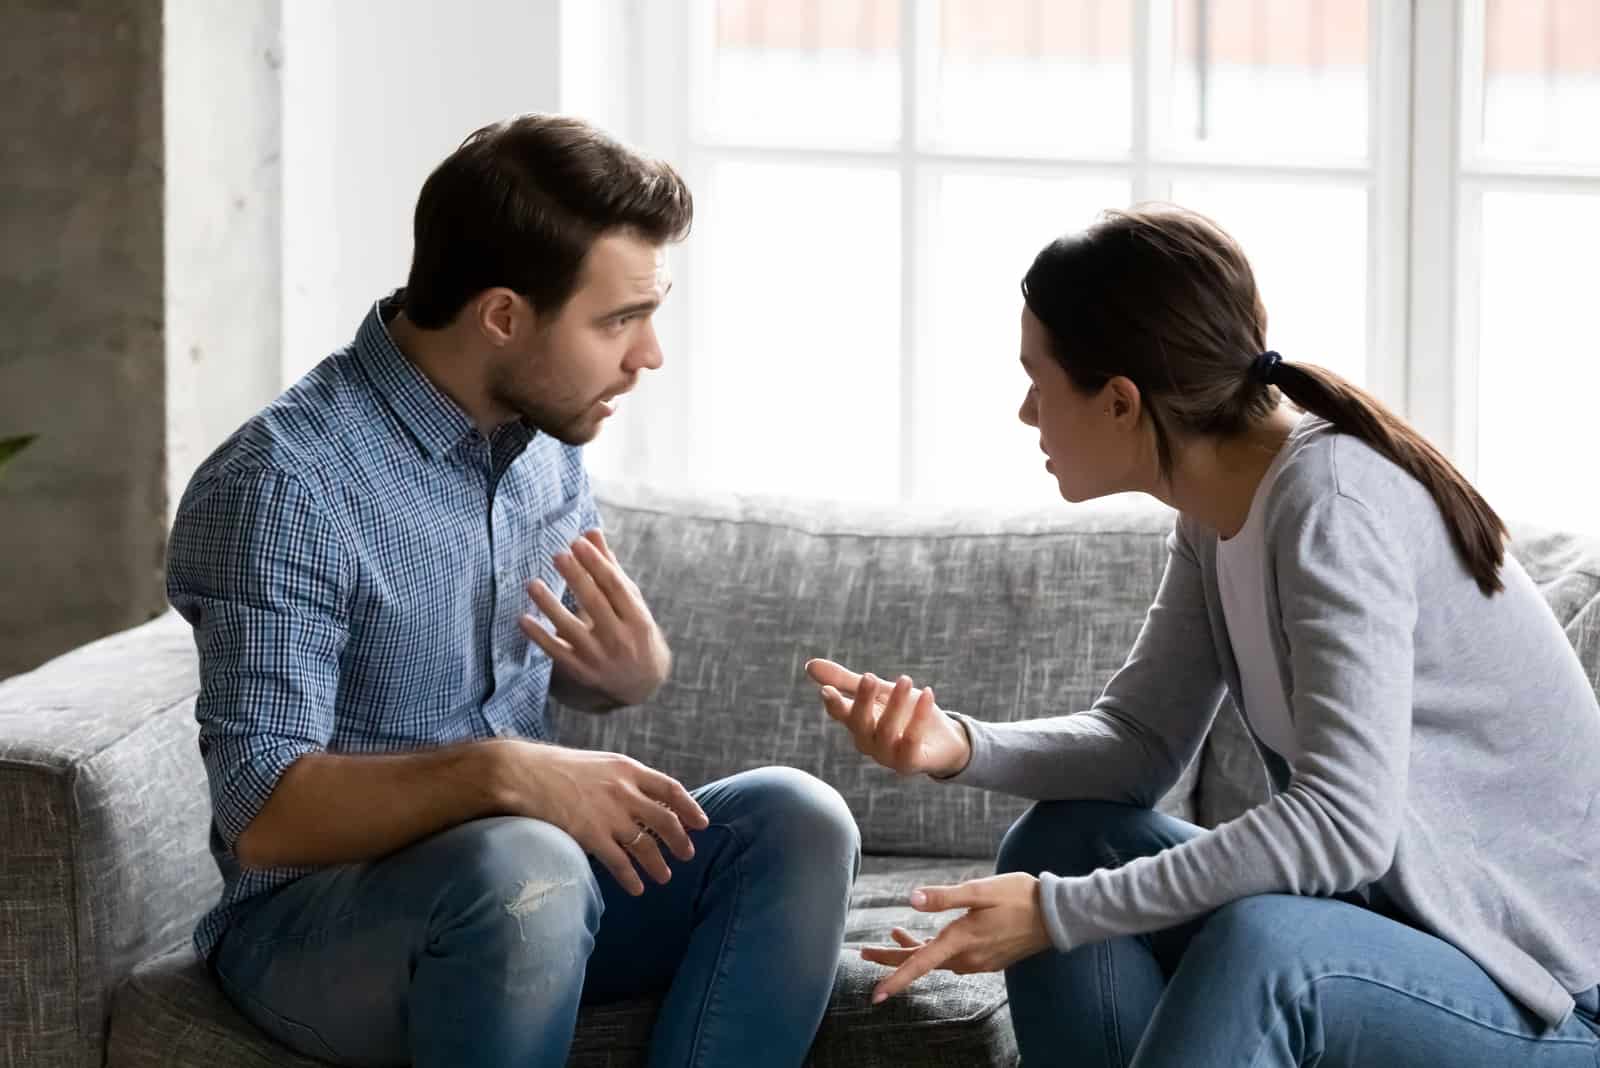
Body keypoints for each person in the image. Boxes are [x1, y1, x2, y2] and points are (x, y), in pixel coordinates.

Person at [805, 205, 1600, 1066]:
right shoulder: (1216, 512)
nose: (1026, 411)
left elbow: (1343, 827)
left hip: (1545, 999)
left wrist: (1055, 914)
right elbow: (1138, 744)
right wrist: (956, 744)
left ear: (1120, 402)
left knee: (1268, 949)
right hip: (1407, 943)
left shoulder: (1332, 505)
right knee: (1062, 842)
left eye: (1039, 378)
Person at [168, 113, 858, 1068]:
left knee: (796, 818)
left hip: (535, 896)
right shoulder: (284, 485)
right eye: (619, 320)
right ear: (502, 315)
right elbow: (265, 817)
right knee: (523, 861)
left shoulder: (544, 441)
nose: (648, 355)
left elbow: (517, 670)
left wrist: (621, 675)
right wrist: (503, 772)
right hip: (319, 925)